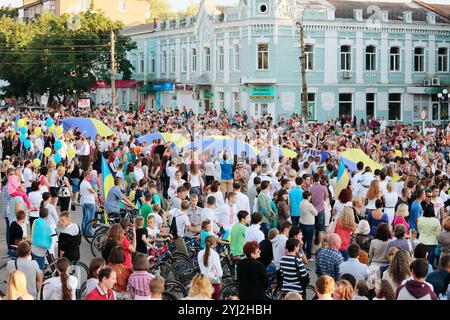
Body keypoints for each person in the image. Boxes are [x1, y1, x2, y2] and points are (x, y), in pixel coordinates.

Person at [198, 236, 223, 300]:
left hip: (203, 280)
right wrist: (220, 278)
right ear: (214, 243)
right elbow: (219, 272)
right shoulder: (215, 254)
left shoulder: (200, 253)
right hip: (214, 282)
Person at [299, 190, 318, 261]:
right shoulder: (309, 205)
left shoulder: (301, 203)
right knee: (309, 240)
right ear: (309, 196)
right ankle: (309, 256)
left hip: (301, 222)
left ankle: (301, 254)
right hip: (309, 224)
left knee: (302, 240)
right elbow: (316, 213)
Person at [80, 170, 97, 236]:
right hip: (89, 202)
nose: (90, 177)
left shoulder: (82, 183)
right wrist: (95, 193)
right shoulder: (86, 183)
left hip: (84, 201)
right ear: (87, 176)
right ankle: (88, 232)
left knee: (85, 217)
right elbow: (92, 190)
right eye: (89, 175)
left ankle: (84, 230)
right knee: (90, 218)